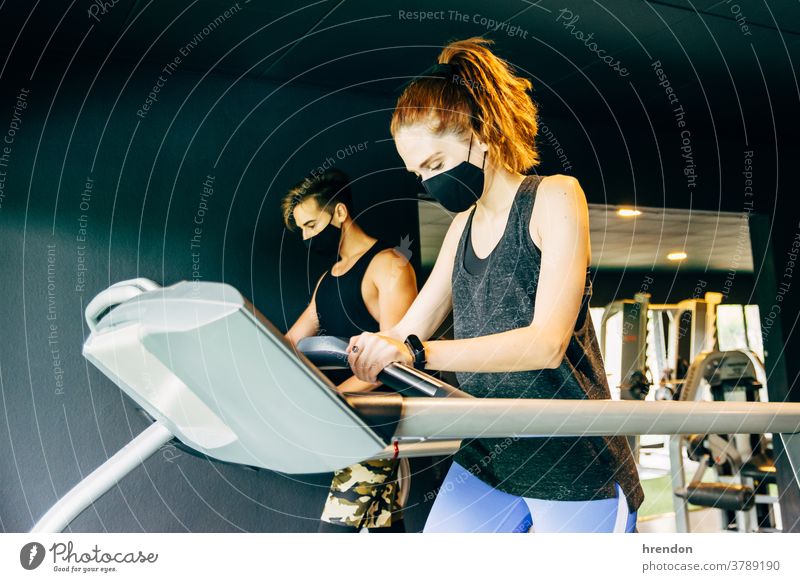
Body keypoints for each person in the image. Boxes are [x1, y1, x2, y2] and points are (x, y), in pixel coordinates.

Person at [345, 37, 645, 533]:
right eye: (418, 174)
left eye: (435, 165)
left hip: (571, 460)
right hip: (492, 451)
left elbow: (546, 344)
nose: (429, 184)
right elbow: (404, 333)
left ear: (481, 133)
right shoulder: (461, 227)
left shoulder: (554, 197)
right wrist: (370, 351)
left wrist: (417, 354)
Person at [282, 168, 418, 532]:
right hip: (348, 419)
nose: (308, 236)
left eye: (312, 225)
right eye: (303, 230)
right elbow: (289, 344)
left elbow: (396, 365)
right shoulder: (327, 281)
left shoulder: (388, 266)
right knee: (382, 528)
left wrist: (332, 399)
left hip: (378, 421)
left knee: (335, 534)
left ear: (339, 213)